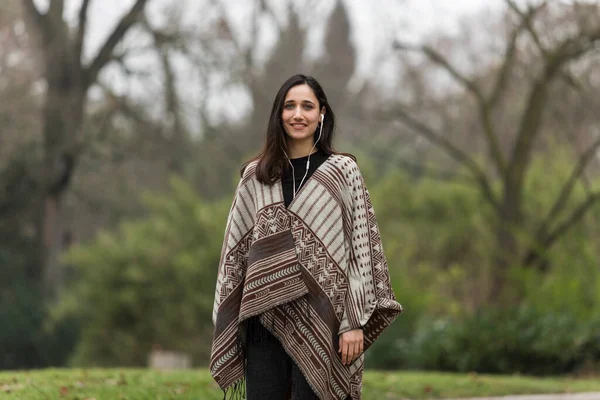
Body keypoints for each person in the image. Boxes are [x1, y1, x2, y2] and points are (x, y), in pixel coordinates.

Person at [210, 74, 403, 400]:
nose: (298, 114)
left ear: (321, 113)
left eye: (307, 106)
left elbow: (361, 251)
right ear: (278, 114)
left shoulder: (343, 171)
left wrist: (353, 321)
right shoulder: (255, 176)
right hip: (264, 320)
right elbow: (235, 255)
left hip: (325, 317)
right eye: (290, 106)